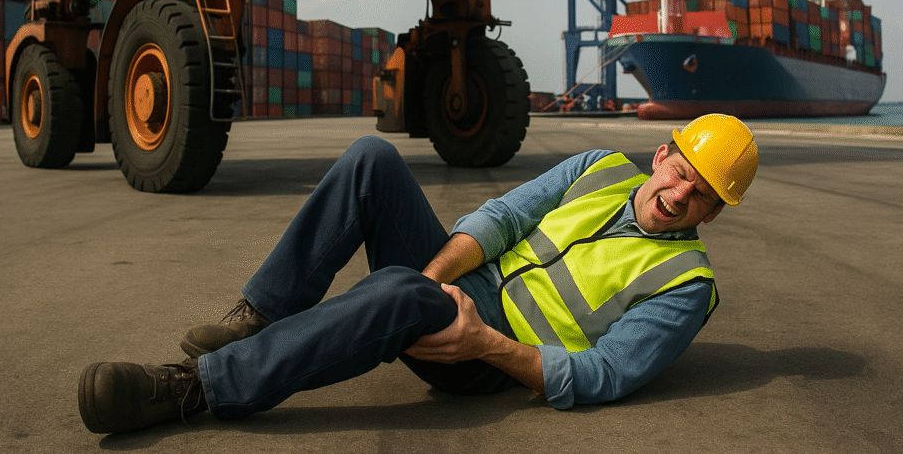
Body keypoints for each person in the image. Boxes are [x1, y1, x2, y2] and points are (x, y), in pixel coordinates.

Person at [78, 113, 759, 434]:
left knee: (400, 291)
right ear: (662, 150)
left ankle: (194, 389)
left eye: (702, 196)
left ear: (718, 212)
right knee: (374, 158)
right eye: (681, 173)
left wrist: (481, 342)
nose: (678, 196)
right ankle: (261, 315)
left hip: (490, 355)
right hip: (460, 284)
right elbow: (501, 219)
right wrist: (439, 279)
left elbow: (605, 374)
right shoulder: (600, 167)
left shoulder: (686, 286)